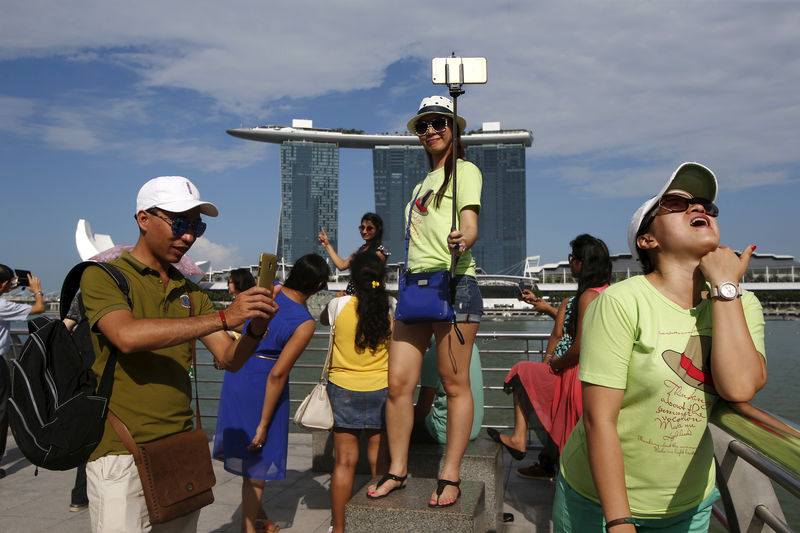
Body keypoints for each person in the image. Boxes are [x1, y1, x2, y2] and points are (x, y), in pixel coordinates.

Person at [554, 163, 766, 532]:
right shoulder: (622, 302)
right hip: (598, 502)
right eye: (676, 203)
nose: (698, 208)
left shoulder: (740, 303)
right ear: (647, 240)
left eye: (705, 206)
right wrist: (619, 520)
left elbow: (740, 387)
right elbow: (598, 419)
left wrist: (725, 288)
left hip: (688, 506)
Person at [80, 176, 278, 532]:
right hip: (120, 453)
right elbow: (125, 335)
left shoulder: (190, 291)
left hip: (179, 449)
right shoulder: (103, 276)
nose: (189, 236)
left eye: (197, 226)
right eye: (180, 223)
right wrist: (222, 316)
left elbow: (229, 359)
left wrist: (255, 328)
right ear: (143, 219)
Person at [367, 95, 483, 508]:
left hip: (455, 285)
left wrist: (462, 240)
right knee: (398, 383)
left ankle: (450, 474)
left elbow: (469, 224)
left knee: (454, 385)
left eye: (439, 123)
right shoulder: (421, 184)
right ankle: (398, 470)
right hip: (414, 287)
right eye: (423, 125)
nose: (431, 130)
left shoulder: (464, 171)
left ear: (454, 128)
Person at [213, 253, 330, 533]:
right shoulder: (304, 322)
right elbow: (278, 373)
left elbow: (233, 325)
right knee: (258, 465)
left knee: (248, 460)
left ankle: (259, 519)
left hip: (238, 375)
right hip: (262, 387)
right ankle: (248, 528)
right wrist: (264, 423)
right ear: (318, 286)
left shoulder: (267, 293)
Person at [488, 235, 612, 481]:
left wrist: (553, 362)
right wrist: (546, 308)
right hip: (596, 374)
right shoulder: (607, 294)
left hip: (572, 372)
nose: (570, 264)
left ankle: (521, 440)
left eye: (572, 259)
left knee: (522, 371)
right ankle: (546, 461)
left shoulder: (587, 296)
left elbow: (577, 343)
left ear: (582, 263)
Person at [319, 252, 394, 533]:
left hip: (342, 389)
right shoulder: (390, 306)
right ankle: (376, 525)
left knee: (344, 463)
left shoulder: (337, 305)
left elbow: (323, 321)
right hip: (382, 389)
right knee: (380, 462)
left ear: (353, 278)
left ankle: (338, 528)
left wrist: (346, 293)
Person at [0, 265, 45, 479]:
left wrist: (13, 285)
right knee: (1, 411)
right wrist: (36, 290)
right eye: (10, 282)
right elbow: (39, 309)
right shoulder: (2, 305)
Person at [412, 339, 484, 444]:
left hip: (445, 432)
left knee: (392, 425)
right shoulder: (472, 346)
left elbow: (422, 410)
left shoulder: (434, 354)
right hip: (472, 430)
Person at [318, 212, 390, 295]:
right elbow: (341, 265)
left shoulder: (379, 252)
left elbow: (370, 280)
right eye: (362, 228)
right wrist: (327, 245)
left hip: (366, 298)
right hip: (354, 296)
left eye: (369, 228)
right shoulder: (362, 249)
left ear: (377, 230)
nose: (364, 231)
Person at [227, 268, 257, 336]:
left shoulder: (247, 302)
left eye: (229, 282)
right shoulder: (250, 299)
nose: (227, 285)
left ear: (239, 282)